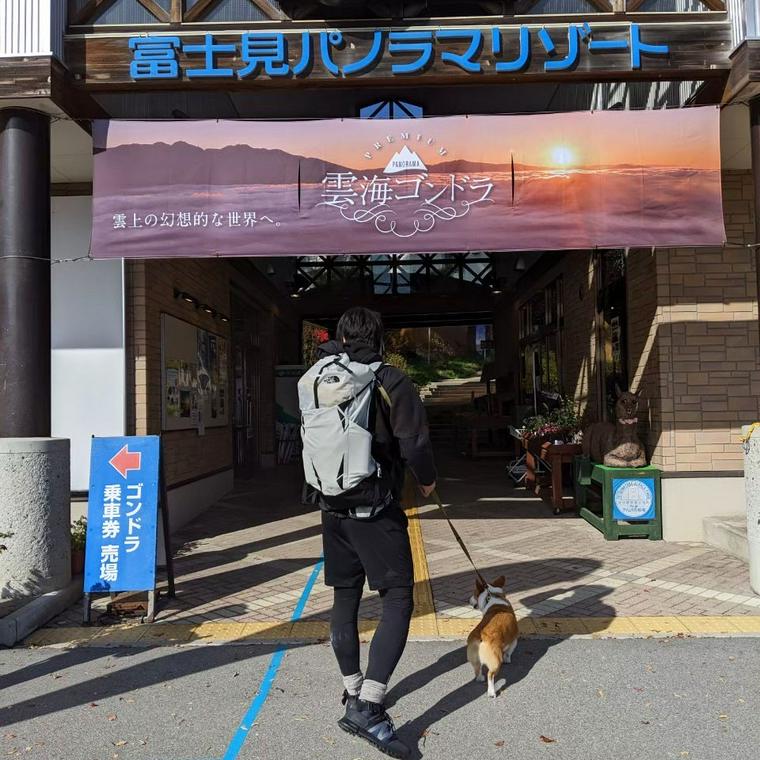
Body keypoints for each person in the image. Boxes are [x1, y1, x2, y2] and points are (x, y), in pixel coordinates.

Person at [313, 307, 436, 759]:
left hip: (330, 507)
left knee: (345, 597)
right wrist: (426, 479)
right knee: (399, 597)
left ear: (342, 337)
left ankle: (351, 690)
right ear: (380, 338)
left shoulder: (321, 376)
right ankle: (369, 705)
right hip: (376, 508)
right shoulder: (390, 378)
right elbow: (414, 441)